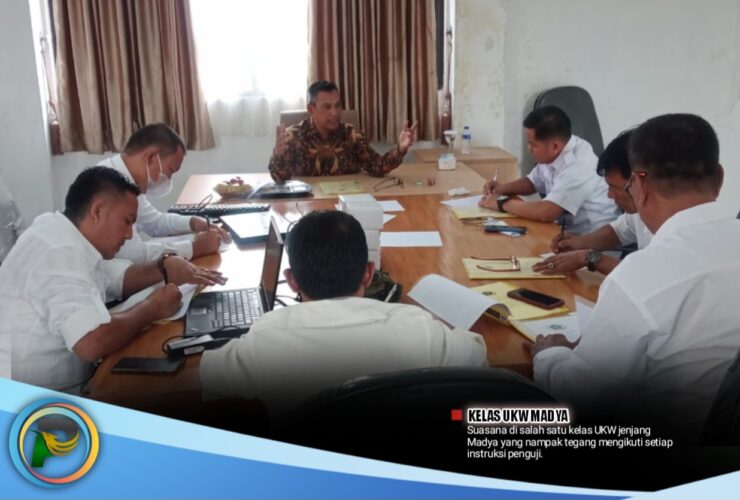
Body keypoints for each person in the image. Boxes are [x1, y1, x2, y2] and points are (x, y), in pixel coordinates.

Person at [529, 113, 740, 443]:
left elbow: (581, 399)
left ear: (639, 185)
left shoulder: (640, 276)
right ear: (720, 177)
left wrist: (548, 355)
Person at [200, 210, 488, 418]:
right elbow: (477, 355)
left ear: (292, 281)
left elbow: (208, 376)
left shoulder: (265, 339)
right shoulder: (418, 327)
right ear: (369, 273)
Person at [0, 167, 225, 392]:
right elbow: (91, 342)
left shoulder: (58, 230)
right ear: (97, 211)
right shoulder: (60, 251)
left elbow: (114, 280)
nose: (129, 235)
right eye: (127, 221)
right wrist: (153, 308)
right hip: (33, 399)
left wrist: (163, 267)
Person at [97, 123, 230, 264]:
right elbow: (135, 256)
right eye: (171, 170)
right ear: (150, 158)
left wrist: (193, 222)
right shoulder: (109, 185)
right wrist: (196, 247)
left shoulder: (126, 178)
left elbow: (154, 223)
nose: (169, 178)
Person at [479, 106, 618, 234]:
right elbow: (532, 182)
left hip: (590, 241)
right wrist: (502, 189)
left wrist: (502, 203)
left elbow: (547, 212)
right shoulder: (557, 150)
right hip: (563, 233)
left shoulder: (579, 165)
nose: (529, 149)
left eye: (533, 145)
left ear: (554, 146)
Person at [533, 129, 653, 275]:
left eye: (614, 187)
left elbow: (646, 275)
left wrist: (589, 257)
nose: (609, 195)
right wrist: (579, 242)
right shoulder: (640, 211)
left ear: (637, 182)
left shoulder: (672, 226)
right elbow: (618, 231)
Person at [268, 80, 417, 182]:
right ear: (311, 109)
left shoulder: (351, 134)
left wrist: (401, 149)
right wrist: (278, 156)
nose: (335, 113)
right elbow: (280, 179)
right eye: (327, 107)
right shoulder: (293, 136)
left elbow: (377, 166)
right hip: (308, 205)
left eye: (338, 106)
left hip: (347, 203)